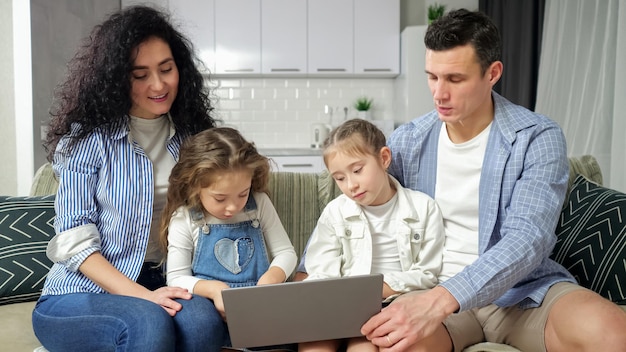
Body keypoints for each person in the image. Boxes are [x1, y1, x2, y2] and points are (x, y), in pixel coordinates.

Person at [358, 8, 626, 352]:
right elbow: (362, 209)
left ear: (492, 73)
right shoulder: (407, 141)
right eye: (432, 77)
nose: (439, 94)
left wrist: (442, 299)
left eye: (455, 79)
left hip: (521, 293)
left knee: (613, 333)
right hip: (430, 292)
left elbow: (528, 238)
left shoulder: (536, 136)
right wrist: (309, 271)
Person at [32, 6, 220, 351]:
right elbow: (74, 240)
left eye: (167, 69)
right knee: (148, 323)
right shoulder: (87, 141)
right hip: (82, 289)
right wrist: (143, 296)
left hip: (166, 277)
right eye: (140, 75)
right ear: (118, 78)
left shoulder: (195, 139)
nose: (159, 84)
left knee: (204, 326)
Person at [299, 119, 445, 352]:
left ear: (384, 158)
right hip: (344, 306)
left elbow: (428, 274)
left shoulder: (423, 208)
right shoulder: (335, 212)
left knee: (363, 348)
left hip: (397, 303)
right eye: (339, 178)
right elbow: (321, 272)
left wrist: (380, 289)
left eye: (357, 171)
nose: (351, 185)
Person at [160, 127, 298, 350]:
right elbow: (176, 277)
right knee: (200, 326)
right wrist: (215, 290)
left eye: (243, 193)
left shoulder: (259, 203)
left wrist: (271, 279)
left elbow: (286, 253)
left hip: (257, 298)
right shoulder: (185, 218)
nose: (233, 207)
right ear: (194, 186)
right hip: (206, 301)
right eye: (220, 198)